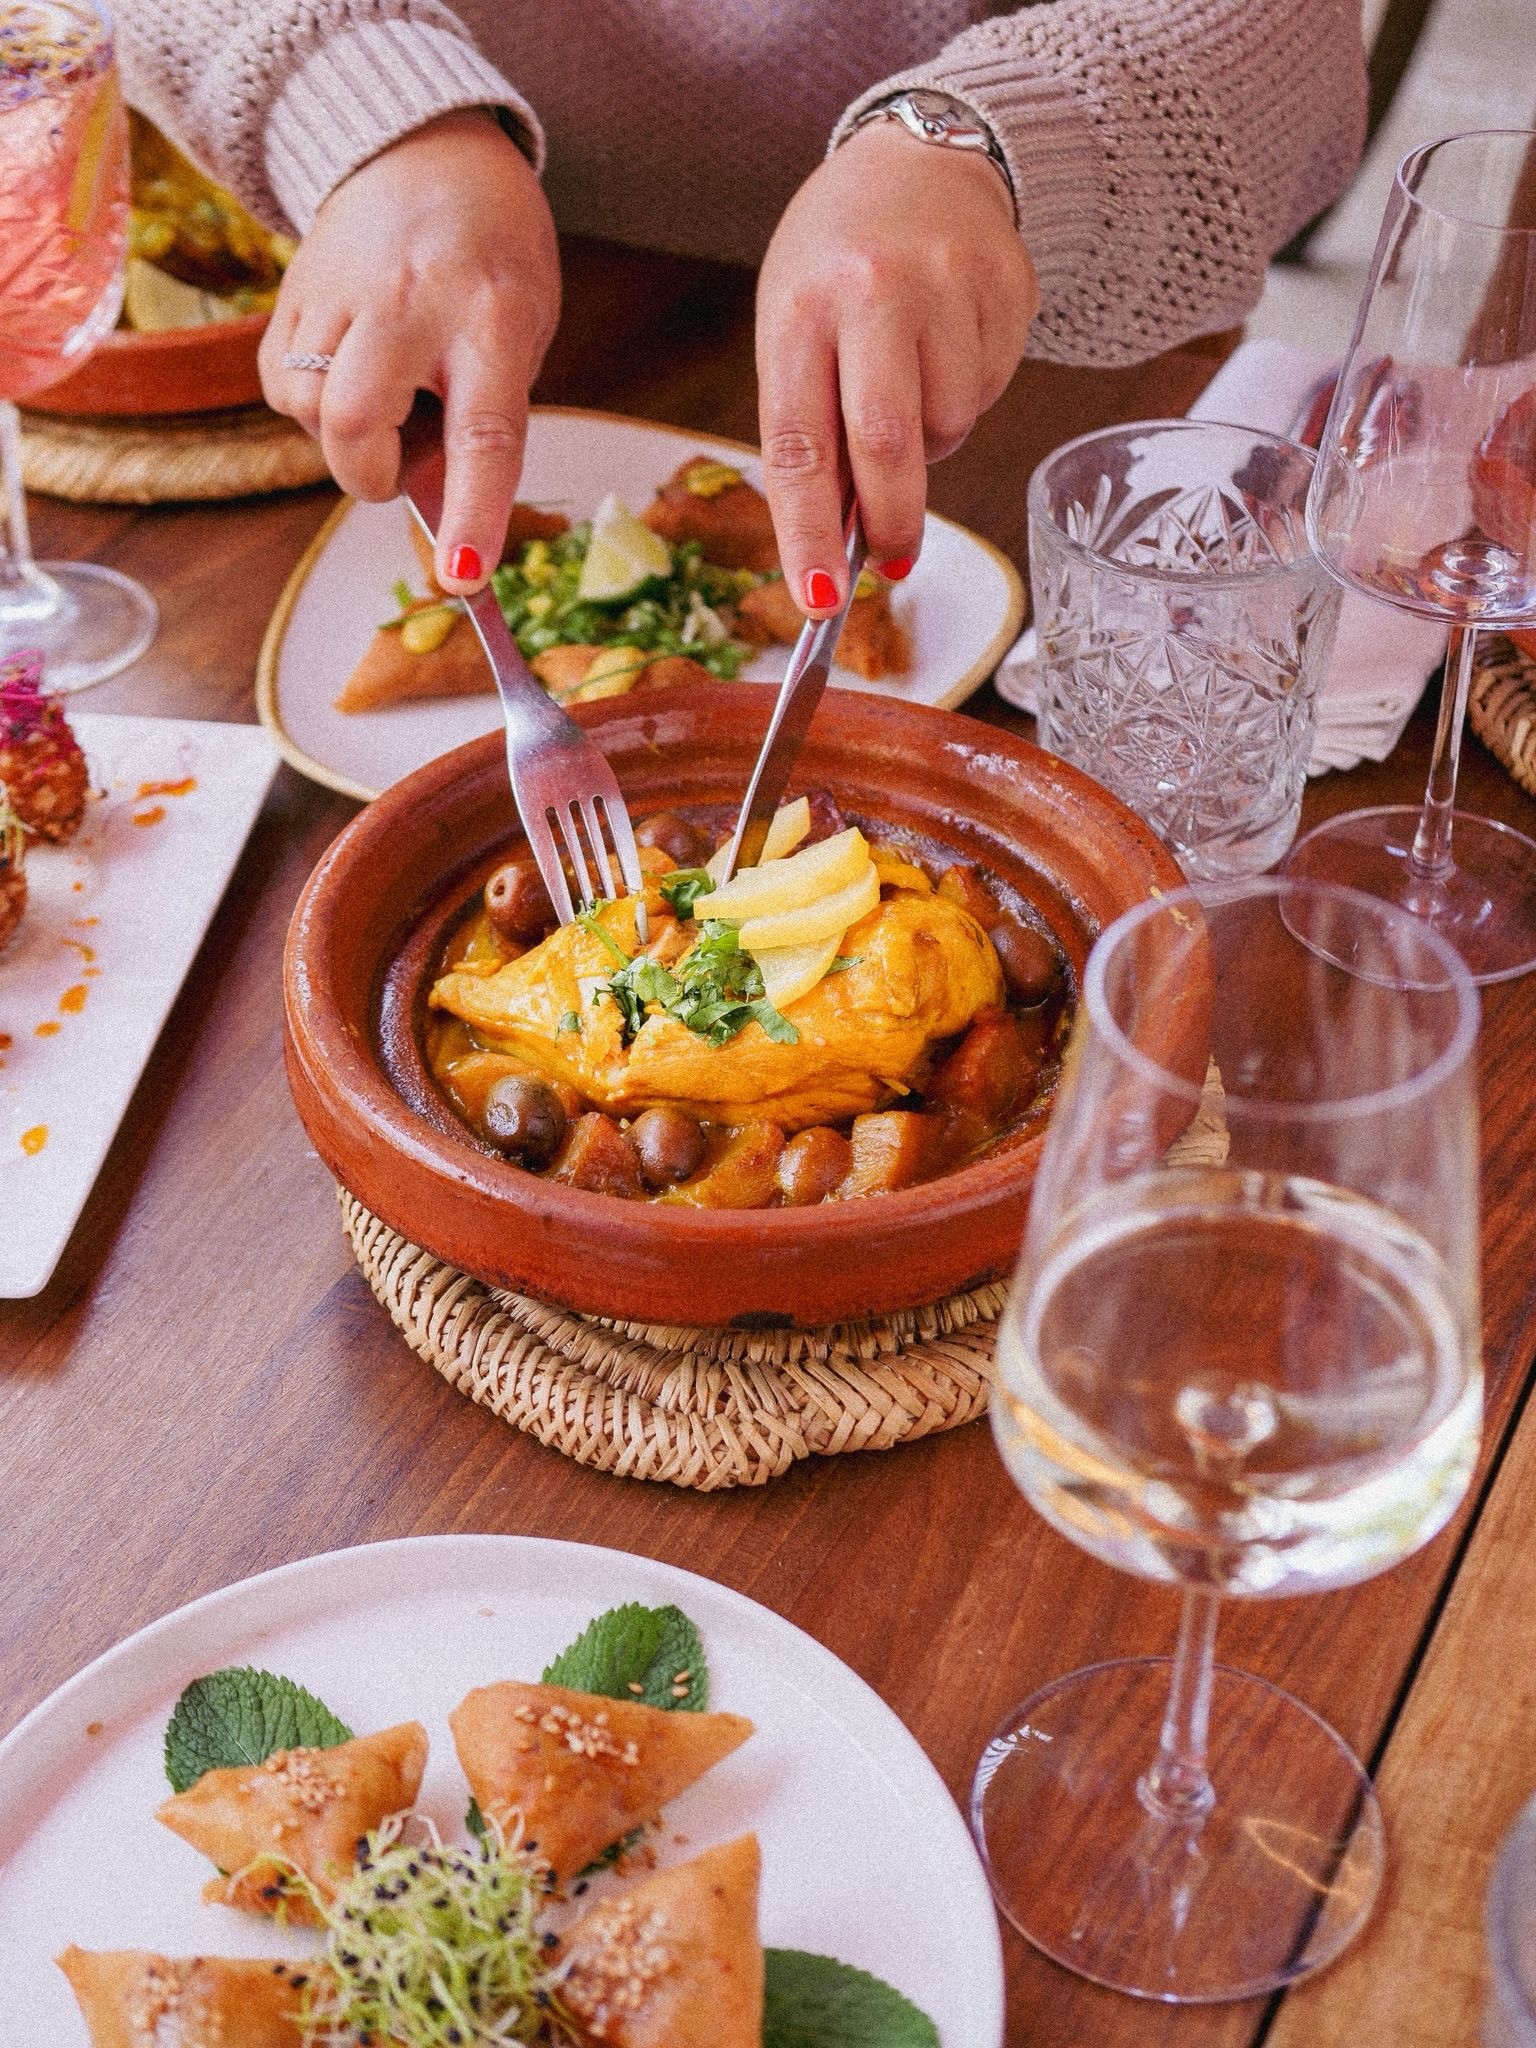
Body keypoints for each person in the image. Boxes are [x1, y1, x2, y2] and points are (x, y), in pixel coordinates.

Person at [116, 2, 1364, 615]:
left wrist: (976, 140)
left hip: (1031, 336)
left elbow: (1287, 40)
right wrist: (355, 94)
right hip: (462, 310)